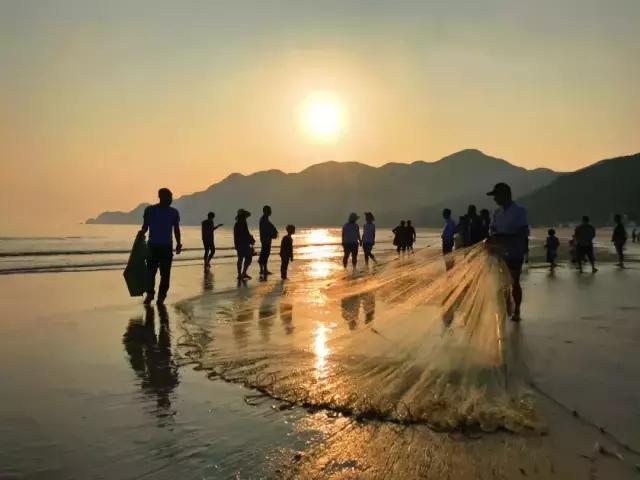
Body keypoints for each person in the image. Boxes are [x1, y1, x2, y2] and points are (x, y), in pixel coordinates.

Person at [486, 182, 528, 322]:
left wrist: (505, 237)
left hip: (515, 252)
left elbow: (523, 232)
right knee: (502, 282)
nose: (495, 199)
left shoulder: (519, 211)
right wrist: (491, 240)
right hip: (499, 253)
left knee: (514, 281)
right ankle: (506, 306)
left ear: (505, 195)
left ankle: (517, 310)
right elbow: (492, 229)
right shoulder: (497, 212)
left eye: (496, 196)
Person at [141, 188, 182, 306]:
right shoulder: (150, 210)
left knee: (165, 274)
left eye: (171, 197)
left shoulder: (174, 212)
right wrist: (141, 234)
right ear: (160, 197)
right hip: (152, 246)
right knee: (150, 273)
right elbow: (145, 226)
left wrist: (179, 243)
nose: (170, 199)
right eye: (168, 197)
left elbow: (176, 229)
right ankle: (150, 294)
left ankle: (161, 297)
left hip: (166, 247)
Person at [234, 209, 255, 280]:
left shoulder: (238, 223)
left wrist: (250, 238)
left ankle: (241, 274)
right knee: (248, 258)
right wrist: (251, 240)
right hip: (243, 244)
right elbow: (245, 234)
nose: (246, 217)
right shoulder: (242, 223)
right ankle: (242, 273)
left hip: (239, 244)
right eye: (245, 216)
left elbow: (245, 234)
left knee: (241, 258)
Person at [258, 205, 278, 279]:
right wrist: (273, 232)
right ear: (266, 211)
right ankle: (262, 269)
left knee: (265, 254)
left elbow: (269, 229)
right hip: (265, 239)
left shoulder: (265, 219)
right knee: (265, 254)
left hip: (266, 239)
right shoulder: (263, 220)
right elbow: (266, 230)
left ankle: (264, 269)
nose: (270, 212)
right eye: (269, 210)